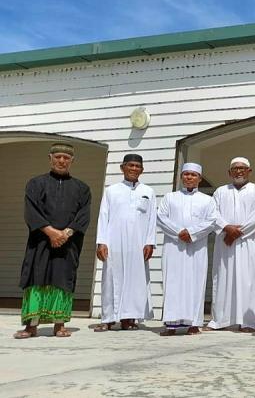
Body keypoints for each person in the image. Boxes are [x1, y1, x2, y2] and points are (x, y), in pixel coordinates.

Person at [15, 143, 91, 339]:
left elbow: (83, 216)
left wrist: (64, 234)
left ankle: (60, 325)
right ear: (50, 158)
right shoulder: (35, 184)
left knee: (62, 281)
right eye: (57, 157)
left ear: (72, 161)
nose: (61, 161)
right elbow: (31, 211)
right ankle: (31, 326)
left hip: (68, 244)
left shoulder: (82, 188)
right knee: (36, 280)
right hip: (40, 242)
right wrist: (50, 232)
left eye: (66, 158)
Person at [95, 154, 156, 332]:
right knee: (111, 278)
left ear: (142, 170)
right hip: (114, 242)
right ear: (123, 168)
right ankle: (107, 318)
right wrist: (102, 242)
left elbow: (152, 219)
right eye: (131, 165)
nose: (134, 169)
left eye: (138, 166)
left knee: (135, 280)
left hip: (138, 243)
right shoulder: (111, 190)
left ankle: (128, 318)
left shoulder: (148, 191)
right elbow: (103, 216)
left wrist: (150, 242)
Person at [207, 157, 255, 333]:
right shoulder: (220, 192)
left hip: (249, 244)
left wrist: (234, 234)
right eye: (235, 169)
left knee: (250, 281)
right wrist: (226, 228)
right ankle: (220, 320)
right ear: (229, 172)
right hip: (225, 244)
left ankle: (250, 322)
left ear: (249, 171)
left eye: (242, 168)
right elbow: (213, 214)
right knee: (224, 280)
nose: (239, 171)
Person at [156, 163, 218, 336]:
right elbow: (161, 218)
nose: (189, 177)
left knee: (195, 283)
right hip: (174, 247)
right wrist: (179, 232)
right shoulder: (170, 197)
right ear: (181, 177)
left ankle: (193, 323)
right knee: (173, 282)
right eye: (186, 174)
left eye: (193, 175)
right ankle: (171, 323)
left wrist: (191, 233)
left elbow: (212, 221)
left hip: (196, 248)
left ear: (199, 178)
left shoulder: (208, 200)